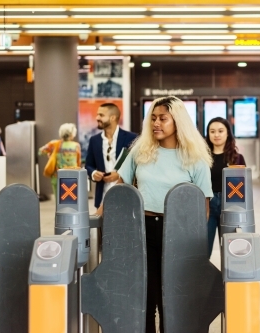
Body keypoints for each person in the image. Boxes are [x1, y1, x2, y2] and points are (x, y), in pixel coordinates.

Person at [97, 96, 213, 333]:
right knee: (145, 295)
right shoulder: (140, 151)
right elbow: (120, 187)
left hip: (179, 234)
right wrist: (99, 212)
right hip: (142, 229)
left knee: (172, 295)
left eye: (162, 118)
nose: (156, 123)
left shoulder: (196, 158)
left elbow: (203, 206)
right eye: (153, 118)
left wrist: (195, 244)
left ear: (177, 121)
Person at [205, 117, 246, 257]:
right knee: (203, 250)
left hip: (230, 205)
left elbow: (242, 187)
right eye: (212, 131)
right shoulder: (202, 157)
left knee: (230, 251)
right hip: (207, 205)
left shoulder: (237, 158)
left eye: (220, 131)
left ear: (227, 133)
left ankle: (228, 278)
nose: (216, 135)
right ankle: (202, 279)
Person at [85, 103, 137, 209]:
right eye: (97, 115)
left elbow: (137, 166)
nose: (97, 118)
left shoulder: (132, 138)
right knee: (101, 225)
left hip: (125, 196)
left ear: (112, 117)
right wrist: (94, 173)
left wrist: (119, 175)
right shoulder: (94, 140)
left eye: (101, 115)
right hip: (102, 197)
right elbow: (88, 165)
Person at [39, 123, 81, 196]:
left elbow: (40, 152)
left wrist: (50, 154)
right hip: (72, 177)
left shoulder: (54, 144)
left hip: (57, 177)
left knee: (58, 202)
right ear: (72, 134)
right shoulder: (76, 146)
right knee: (72, 200)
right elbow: (78, 162)